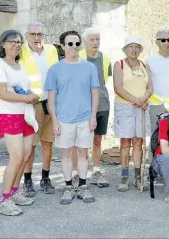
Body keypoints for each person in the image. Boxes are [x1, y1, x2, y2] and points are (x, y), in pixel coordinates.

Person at [45, 30, 99, 204]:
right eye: (70, 44)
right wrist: (54, 120)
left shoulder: (89, 68)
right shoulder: (54, 69)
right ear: (63, 46)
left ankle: (83, 186)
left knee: (83, 153)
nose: (74, 47)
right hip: (63, 119)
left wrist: (93, 116)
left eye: (77, 44)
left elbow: (95, 94)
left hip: (85, 118)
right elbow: (51, 98)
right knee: (66, 153)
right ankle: (68, 187)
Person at [0, 30, 39, 216]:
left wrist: (32, 95)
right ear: (3, 44)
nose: (16, 44)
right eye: (11, 41)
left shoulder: (20, 65)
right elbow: (3, 93)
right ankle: (3, 200)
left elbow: (27, 88)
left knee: (26, 155)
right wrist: (27, 98)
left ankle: (14, 192)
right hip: (9, 115)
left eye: (19, 42)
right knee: (17, 157)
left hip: (25, 114)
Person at [19, 22, 59, 196]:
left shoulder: (51, 50)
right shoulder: (20, 51)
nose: (37, 38)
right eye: (33, 34)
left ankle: (45, 178)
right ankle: (27, 180)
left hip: (50, 103)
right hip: (31, 106)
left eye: (40, 34)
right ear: (26, 36)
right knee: (31, 145)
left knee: (48, 143)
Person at [71, 26, 112, 188]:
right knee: (78, 142)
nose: (95, 42)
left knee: (97, 140)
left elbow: (104, 80)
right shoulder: (77, 57)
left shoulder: (106, 58)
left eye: (98, 39)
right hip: (82, 106)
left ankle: (96, 171)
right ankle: (75, 173)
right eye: (92, 39)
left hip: (102, 104)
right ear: (85, 41)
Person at [113, 36, 152, 192]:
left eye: (137, 47)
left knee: (138, 142)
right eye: (131, 47)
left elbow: (150, 87)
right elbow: (117, 87)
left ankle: (137, 176)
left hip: (141, 106)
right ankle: (124, 176)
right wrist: (135, 100)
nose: (134, 49)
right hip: (125, 107)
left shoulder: (144, 65)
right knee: (125, 143)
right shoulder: (119, 64)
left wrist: (143, 98)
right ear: (125, 49)